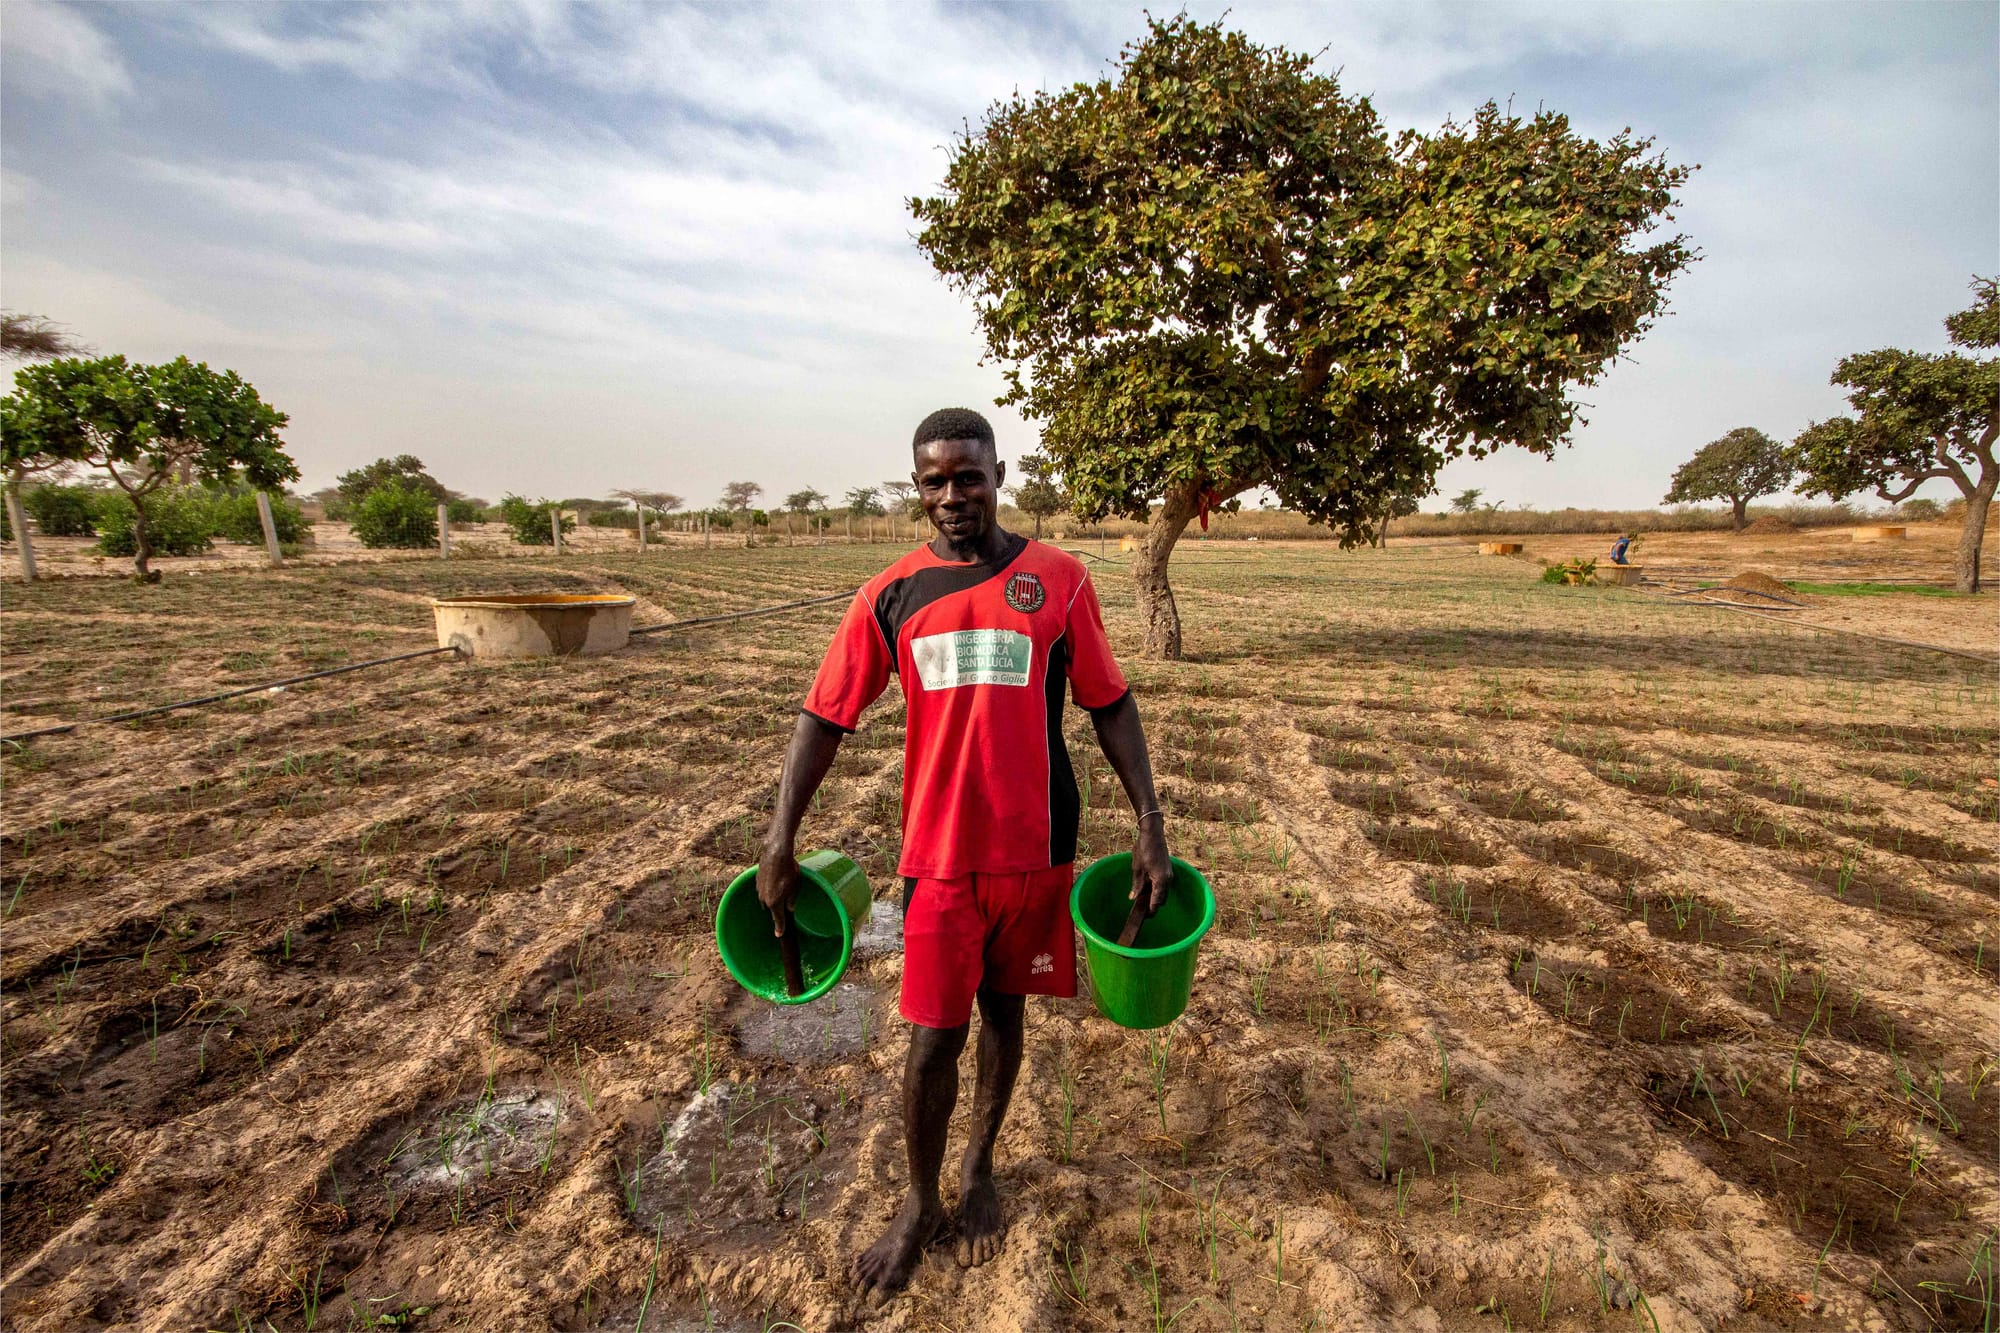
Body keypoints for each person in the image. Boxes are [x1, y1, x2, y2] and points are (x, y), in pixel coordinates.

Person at [756, 407, 1175, 1303]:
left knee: (1005, 1015)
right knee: (931, 1038)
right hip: (939, 859)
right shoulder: (890, 594)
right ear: (918, 487)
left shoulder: (1057, 580)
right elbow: (824, 716)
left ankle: (980, 1167)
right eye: (934, 481)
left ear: (998, 473)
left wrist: (1150, 818)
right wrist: (779, 837)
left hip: (1036, 852)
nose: (952, 496)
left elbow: (1109, 702)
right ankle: (917, 1202)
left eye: (968, 476)